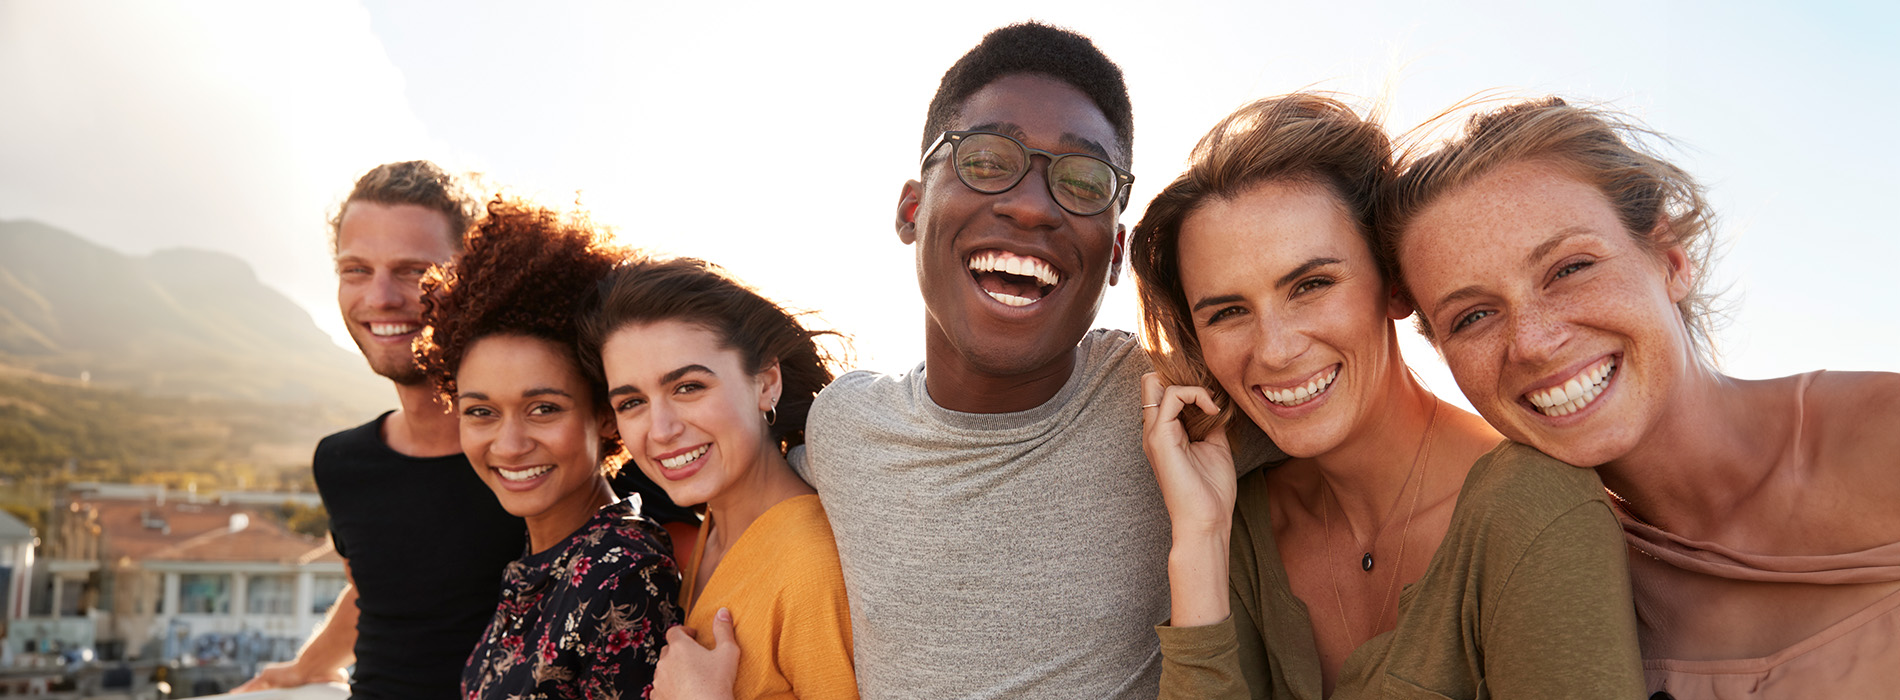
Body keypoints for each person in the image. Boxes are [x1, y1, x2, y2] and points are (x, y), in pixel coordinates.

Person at [800, 22, 1274, 700]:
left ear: (1114, 256)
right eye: (988, 161)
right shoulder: (843, 426)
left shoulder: (1176, 405)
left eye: (1084, 181)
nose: (1028, 206)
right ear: (912, 209)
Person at [1382, 96, 1900, 699]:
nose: (1534, 344)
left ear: (1671, 260)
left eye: (1569, 269)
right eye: (1472, 316)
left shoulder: (1881, 438)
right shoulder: (1532, 578)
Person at [1130, 94, 1643, 699]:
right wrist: (1198, 539)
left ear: (1397, 286)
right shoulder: (1240, 528)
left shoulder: (1533, 506)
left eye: (1311, 284)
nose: (1273, 350)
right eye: (1228, 313)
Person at [237, 161, 527, 699]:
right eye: (356, 270)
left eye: (414, 271)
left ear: (476, 276)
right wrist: (309, 667)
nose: (382, 297)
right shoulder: (343, 463)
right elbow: (379, 591)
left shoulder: (545, 457)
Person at [415, 198, 682, 698]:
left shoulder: (623, 573)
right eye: (481, 411)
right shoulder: (547, 556)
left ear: (605, 414)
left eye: (543, 409)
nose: (510, 444)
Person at [575, 257, 855, 700]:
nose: (661, 429)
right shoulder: (717, 530)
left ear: (766, 383)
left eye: (688, 387)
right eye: (632, 402)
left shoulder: (812, 568)